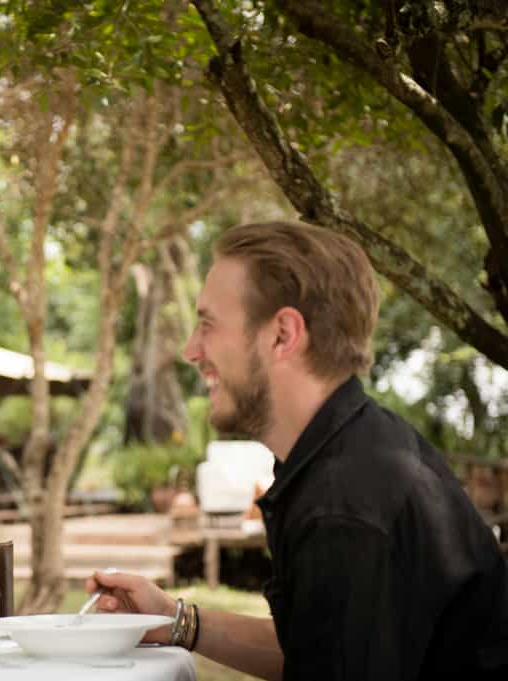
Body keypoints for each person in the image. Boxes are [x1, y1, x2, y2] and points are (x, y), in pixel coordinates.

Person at [88, 222, 508, 680]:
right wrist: (176, 621)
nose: (191, 350)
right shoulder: (347, 455)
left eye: (207, 325)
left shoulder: (345, 504)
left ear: (283, 334)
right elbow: (318, 650)